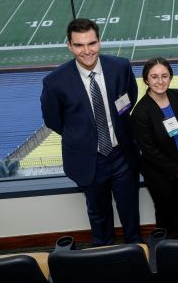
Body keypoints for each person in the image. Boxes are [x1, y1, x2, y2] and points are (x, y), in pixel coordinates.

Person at [41, 18, 141, 245]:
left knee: (130, 210)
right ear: (69, 46)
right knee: (99, 217)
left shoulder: (120, 67)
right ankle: (103, 261)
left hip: (122, 155)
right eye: (79, 45)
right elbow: (53, 121)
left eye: (92, 43)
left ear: (100, 41)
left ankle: (137, 255)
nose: (87, 51)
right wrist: (83, 137)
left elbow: (129, 100)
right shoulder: (54, 82)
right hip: (89, 160)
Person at [131, 57, 178, 239]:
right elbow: (149, 151)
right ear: (146, 80)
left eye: (164, 76)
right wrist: (177, 169)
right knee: (166, 211)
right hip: (159, 173)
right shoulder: (140, 112)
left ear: (170, 77)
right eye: (154, 77)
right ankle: (166, 250)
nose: (160, 81)